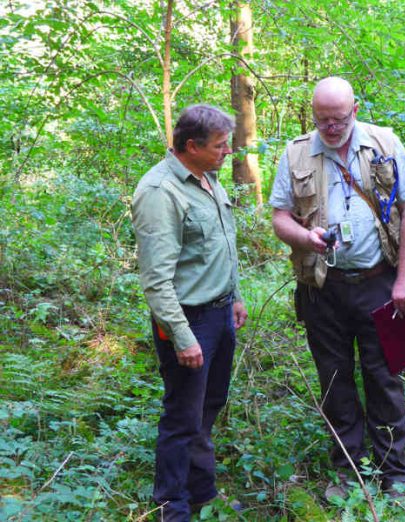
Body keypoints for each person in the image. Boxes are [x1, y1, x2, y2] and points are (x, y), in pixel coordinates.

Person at [270, 77, 405, 497]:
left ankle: (395, 474)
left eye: (338, 119)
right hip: (322, 288)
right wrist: (305, 238)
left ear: (354, 109)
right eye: (323, 119)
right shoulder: (296, 151)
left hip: (380, 283)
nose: (331, 127)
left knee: (385, 378)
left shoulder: (385, 143)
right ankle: (348, 473)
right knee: (334, 380)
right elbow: (280, 216)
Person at [131, 104, 248, 521]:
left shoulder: (208, 179)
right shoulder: (161, 193)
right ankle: (172, 506)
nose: (227, 152)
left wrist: (234, 295)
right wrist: (182, 337)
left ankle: (202, 492)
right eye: (219, 146)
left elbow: (220, 246)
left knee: (209, 406)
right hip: (187, 320)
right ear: (192, 146)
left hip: (219, 314)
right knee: (182, 417)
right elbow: (156, 281)